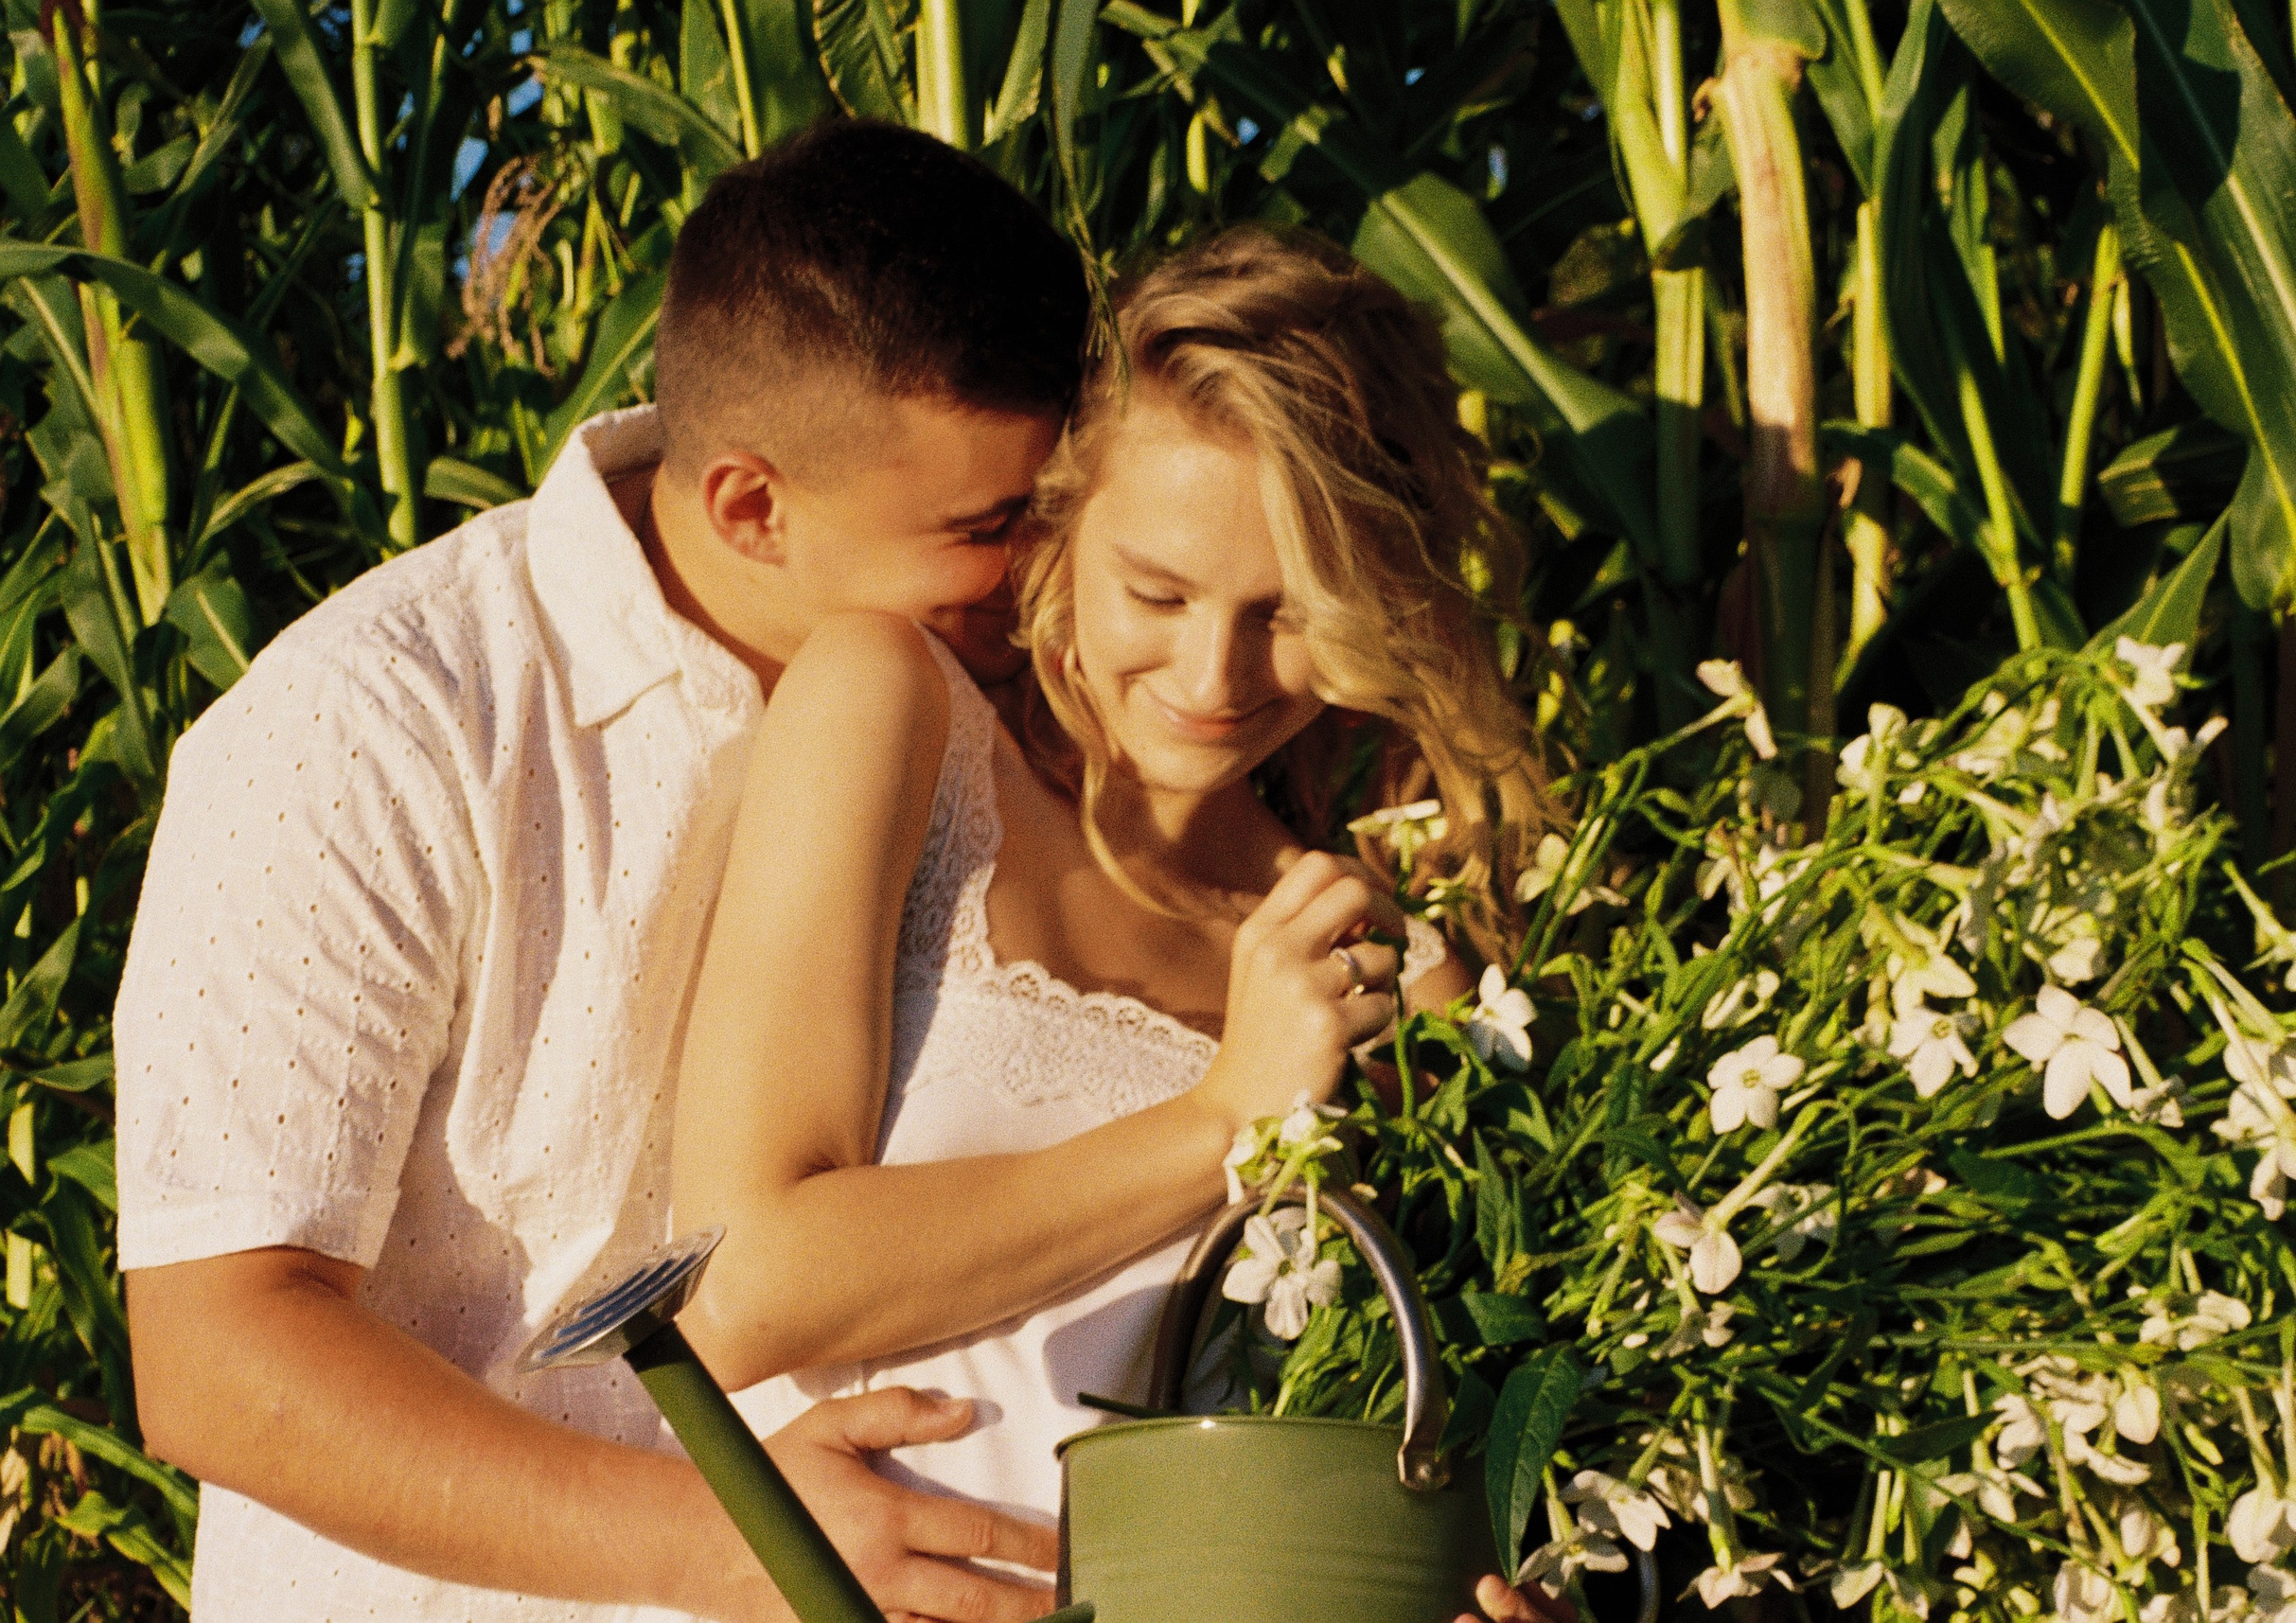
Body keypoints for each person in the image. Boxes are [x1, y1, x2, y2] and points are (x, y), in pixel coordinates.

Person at [113, 121, 1092, 1623]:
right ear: (752, 507)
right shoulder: (369, 728)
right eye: (989, 528)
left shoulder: (1022, 715)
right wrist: (732, 1543)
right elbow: (220, 1358)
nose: (1039, 574)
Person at [668, 225, 1561, 1623]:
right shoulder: (895, 715)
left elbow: (1445, 1458)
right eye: (1156, 591)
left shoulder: (1388, 959)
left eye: (1290, 614)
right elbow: (739, 1291)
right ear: (1059, 525)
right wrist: (1225, 1119)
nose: (1211, 674)